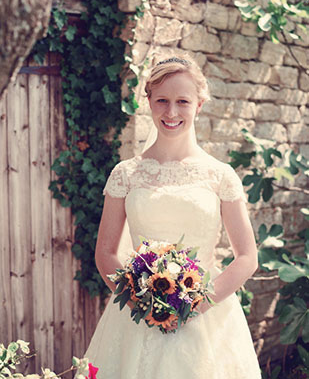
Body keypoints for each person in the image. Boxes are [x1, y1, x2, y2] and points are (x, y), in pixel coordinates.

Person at [84, 56, 262, 378]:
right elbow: (106, 253)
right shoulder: (125, 175)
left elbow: (247, 257)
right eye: (162, 100)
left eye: (182, 101)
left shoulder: (220, 176)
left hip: (206, 320)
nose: (171, 112)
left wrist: (197, 304)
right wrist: (141, 302)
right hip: (135, 317)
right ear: (148, 100)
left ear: (199, 105)